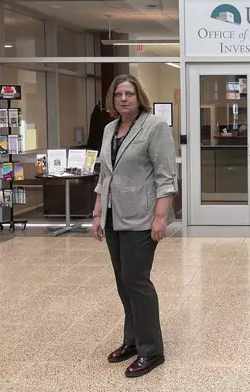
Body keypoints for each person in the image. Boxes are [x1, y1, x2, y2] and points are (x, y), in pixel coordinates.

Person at [90, 74, 177, 378]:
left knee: (137, 281)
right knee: (123, 282)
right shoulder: (109, 129)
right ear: (112, 100)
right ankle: (133, 340)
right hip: (114, 215)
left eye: (129, 93)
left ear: (139, 96)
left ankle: (152, 350)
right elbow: (105, 175)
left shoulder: (154, 127)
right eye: (118, 94)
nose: (123, 99)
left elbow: (166, 177)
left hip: (142, 217)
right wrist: (98, 212)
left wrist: (160, 218)